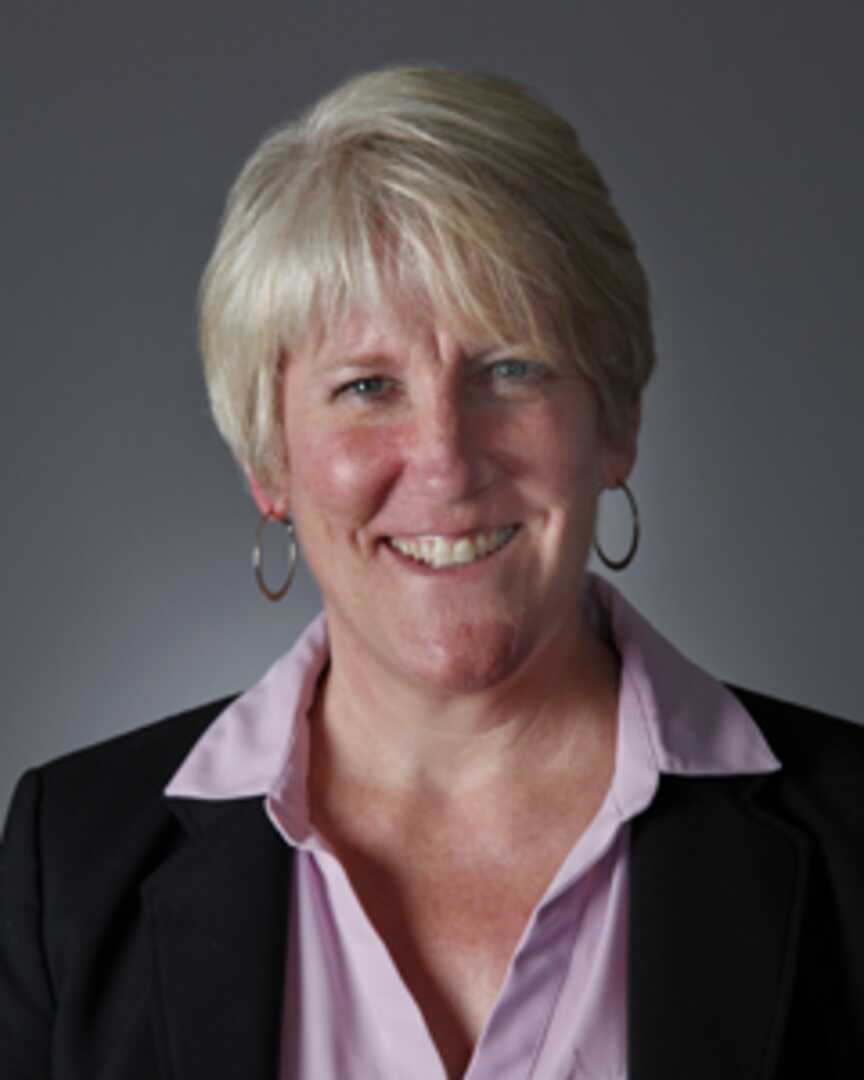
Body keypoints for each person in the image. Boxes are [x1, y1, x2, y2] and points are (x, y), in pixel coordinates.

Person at [1, 66, 862, 1080]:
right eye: (368, 386)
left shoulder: (853, 839)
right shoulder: (73, 864)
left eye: (511, 369)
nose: (447, 459)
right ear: (267, 461)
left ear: (617, 419)